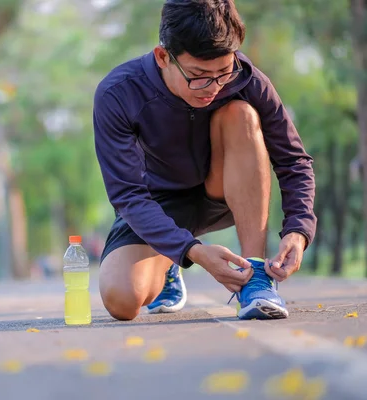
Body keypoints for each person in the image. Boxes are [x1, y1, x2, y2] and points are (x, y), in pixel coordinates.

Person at [92, 0, 316, 321]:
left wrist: (299, 228)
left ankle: (255, 279)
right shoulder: (119, 93)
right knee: (121, 301)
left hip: (223, 192)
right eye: (198, 75)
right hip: (158, 205)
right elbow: (128, 194)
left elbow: (293, 160)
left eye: (223, 72)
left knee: (241, 113)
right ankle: (169, 263)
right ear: (163, 56)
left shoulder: (248, 80)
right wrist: (192, 252)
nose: (212, 87)